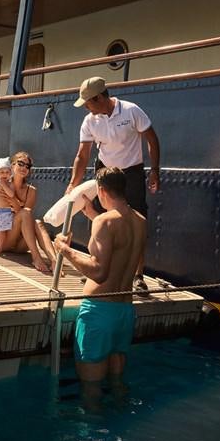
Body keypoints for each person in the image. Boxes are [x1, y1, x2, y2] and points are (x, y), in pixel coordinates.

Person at [55, 167, 146, 393]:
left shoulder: (104, 222)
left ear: (102, 191)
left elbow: (99, 272)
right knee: (117, 385)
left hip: (99, 311)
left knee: (91, 391)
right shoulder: (140, 221)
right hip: (125, 311)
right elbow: (120, 243)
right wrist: (94, 215)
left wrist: (65, 250)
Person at [66, 76, 159, 291]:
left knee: (136, 218)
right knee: (99, 217)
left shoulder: (131, 110)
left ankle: (138, 276)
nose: (85, 108)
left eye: (87, 103)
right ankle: (97, 267)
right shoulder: (90, 120)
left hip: (131, 172)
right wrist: (73, 183)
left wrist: (154, 171)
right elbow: (82, 154)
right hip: (105, 171)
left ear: (98, 98)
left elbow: (152, 139)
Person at [0, 151, 56, 273]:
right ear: (12, 165)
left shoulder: (31, 191)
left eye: (27, 166)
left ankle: (55, 262)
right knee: (25, 212)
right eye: (20, 163)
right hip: (4, 239)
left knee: (37, 222)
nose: (24, 168)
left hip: (21, 245)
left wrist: (12, 198)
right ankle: (36, 257)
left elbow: (25, 216)